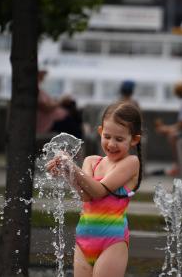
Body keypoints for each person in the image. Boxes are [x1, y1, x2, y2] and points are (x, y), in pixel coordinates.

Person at [46, 101, 143, 277]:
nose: (111, 144)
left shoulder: (131, 163)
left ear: (134, 139)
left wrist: (72, 166)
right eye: (107, 136)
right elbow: (85, 196)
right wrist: (65, 171)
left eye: (119, 139)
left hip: (112, 241)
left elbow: (99, 191)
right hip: (84, 239)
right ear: (100, 132)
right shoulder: (91, 161)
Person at [36, 70, 83, 138]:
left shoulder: (39, 90)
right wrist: (61, 101)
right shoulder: (36, 92)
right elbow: (46, 108)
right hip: (49, 122)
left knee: (74, 116)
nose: (43, 77)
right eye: (41, 75)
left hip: (56, 118)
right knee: (74, 125)